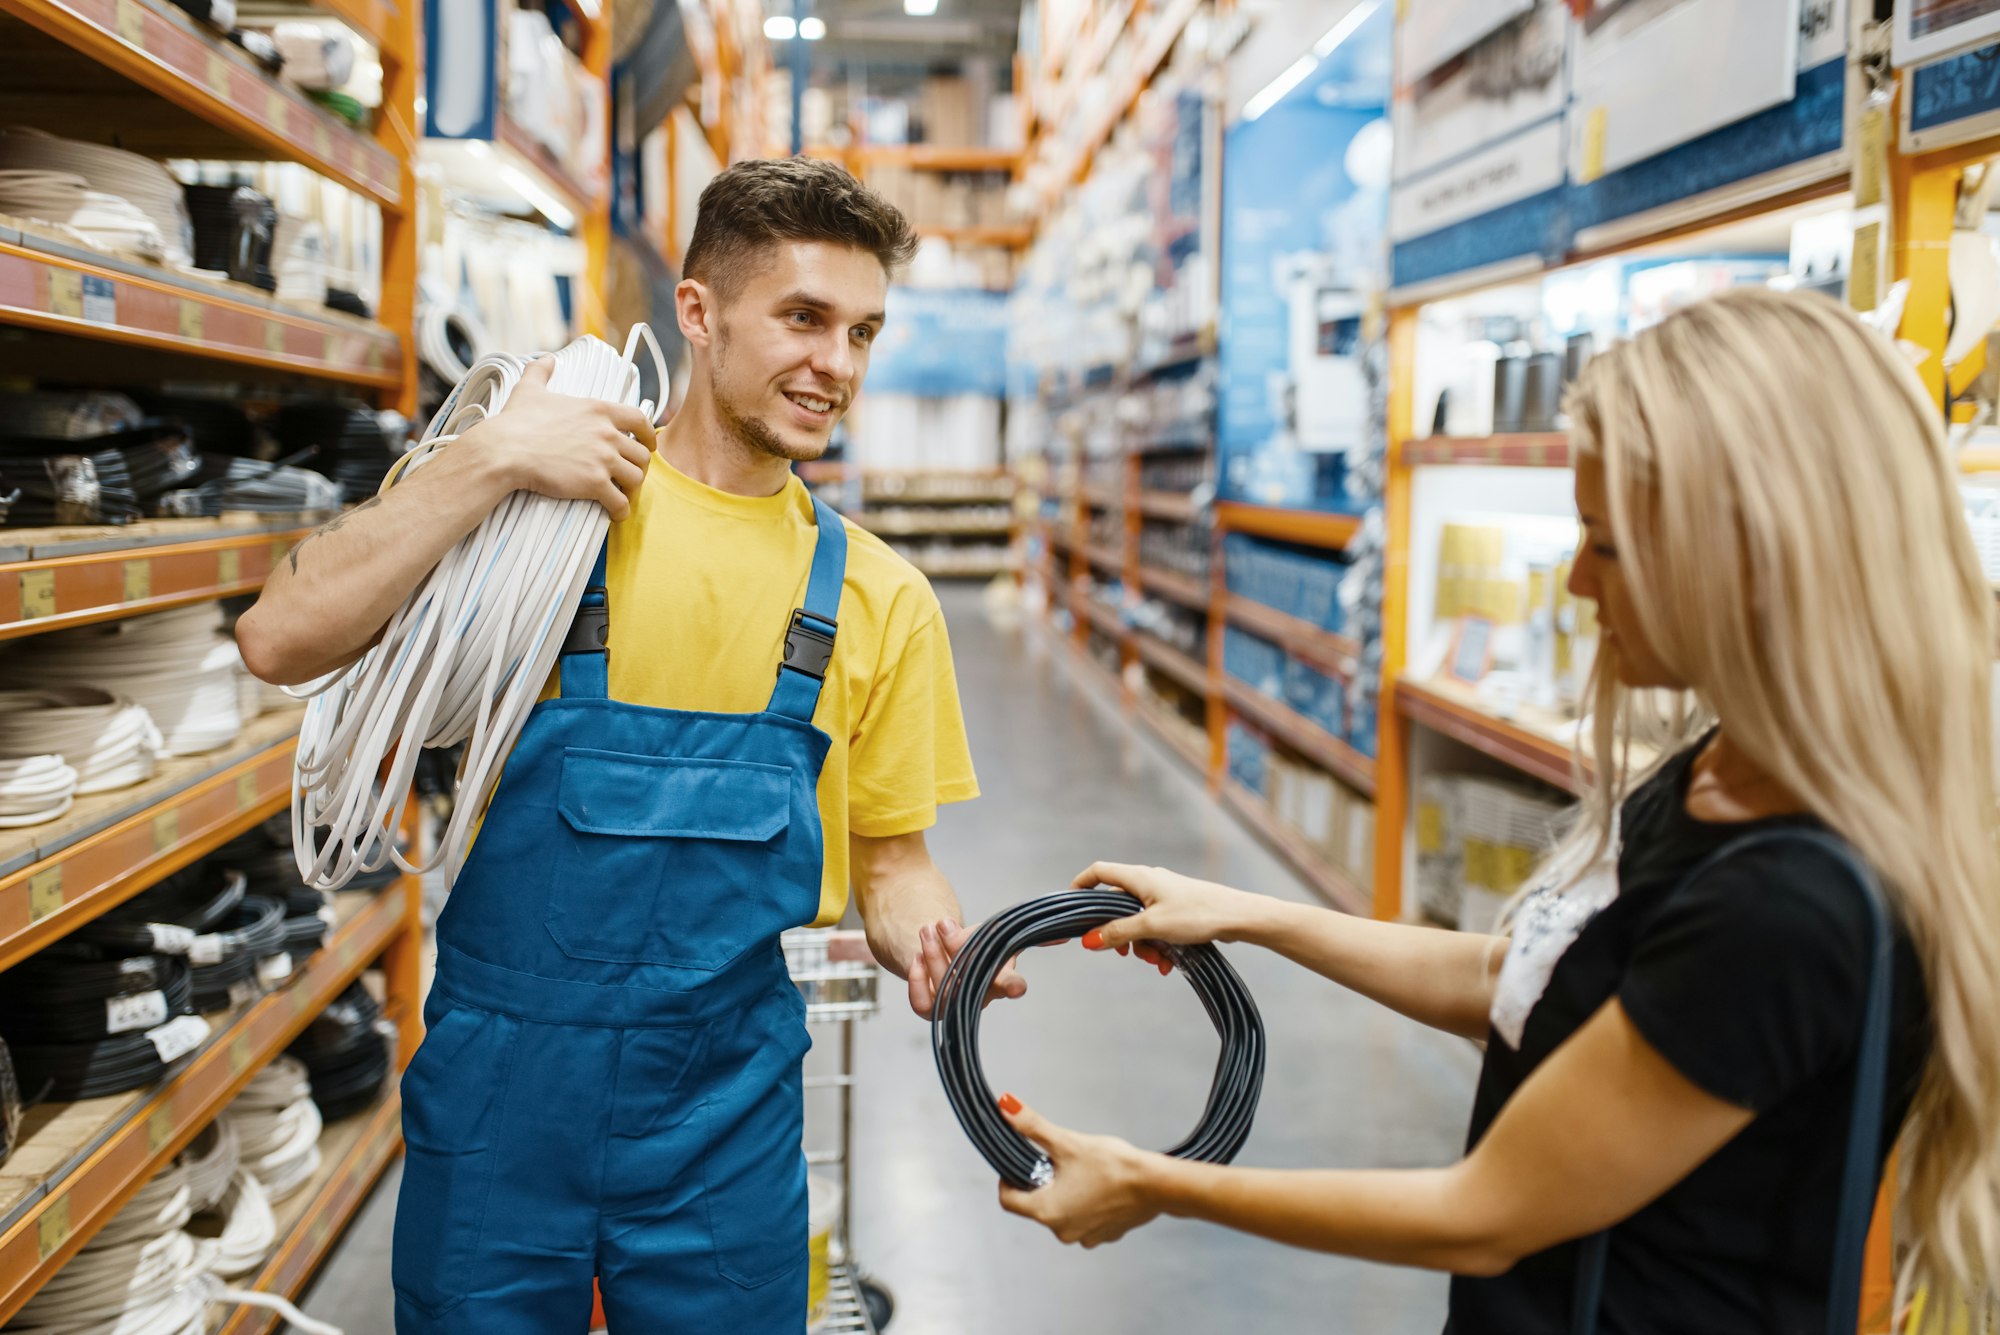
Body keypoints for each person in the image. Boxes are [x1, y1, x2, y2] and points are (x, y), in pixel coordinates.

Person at [992, 288, 2000, 1332]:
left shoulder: (1788, 904)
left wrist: (1154, 1184)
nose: (1573, 580)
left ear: (1746, 557)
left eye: (1604, 545)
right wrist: (1243, 913)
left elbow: (1483, 1212)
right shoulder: (1717, 771)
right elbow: (1516, 979)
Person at [238, 157, 1019, 1333]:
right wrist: (491, 457)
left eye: (862, 331)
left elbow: (893, 863)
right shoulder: (534, 521)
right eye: (802, 318)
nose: (837, 366)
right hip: (503, 1102)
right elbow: (278, 636)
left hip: (725, 1116)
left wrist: (937, 947)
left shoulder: (878, 597)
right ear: (697, 315)